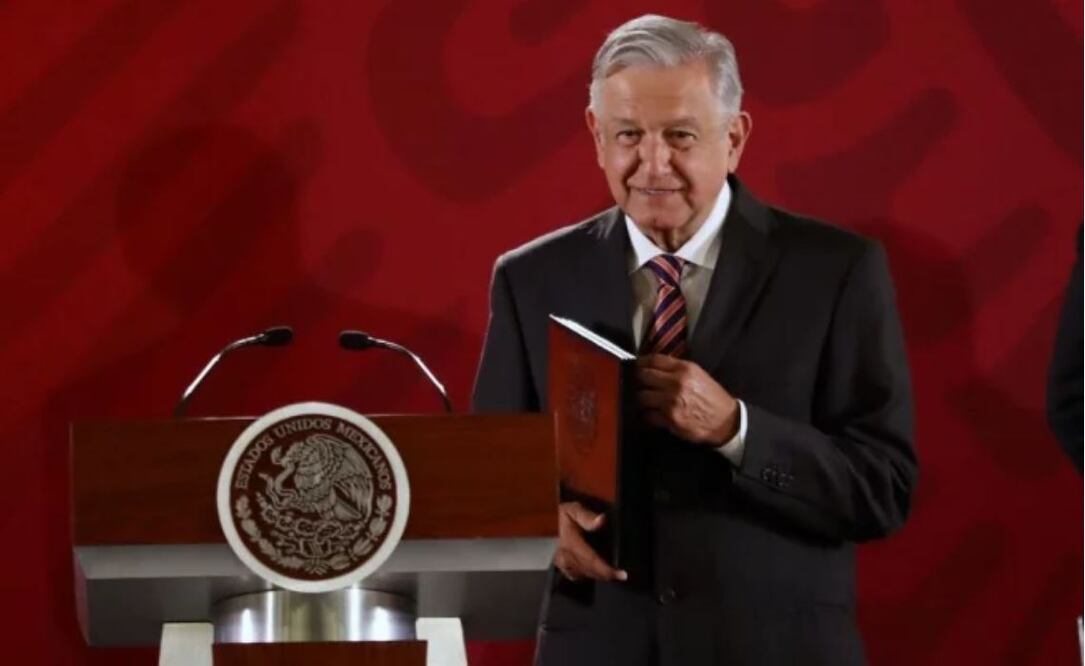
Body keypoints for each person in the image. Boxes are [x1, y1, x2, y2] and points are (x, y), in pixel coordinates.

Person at [472, 14, 917, 666]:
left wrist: (736, 429)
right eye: (628, 135)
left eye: (680, 136)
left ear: (733, 138)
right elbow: (488, 474)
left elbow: (883, 489)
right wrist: (536, 524)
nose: (652, 164)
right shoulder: (530, 279)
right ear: (596, 136)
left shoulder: (835, 272)